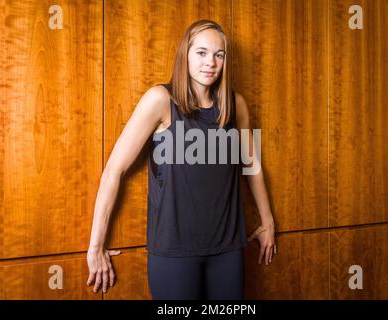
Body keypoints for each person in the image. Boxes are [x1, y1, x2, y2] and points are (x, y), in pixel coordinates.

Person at [86, 19, 276, 300]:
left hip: (228, 249)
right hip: (174, 253)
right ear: (184, 54)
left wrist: (268, 221)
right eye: (201, 52)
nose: (210, 62)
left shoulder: (236, 105)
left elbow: (252, 167)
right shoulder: (160, 99)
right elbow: (114, 170)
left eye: (218, 54)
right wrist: (96, 245)